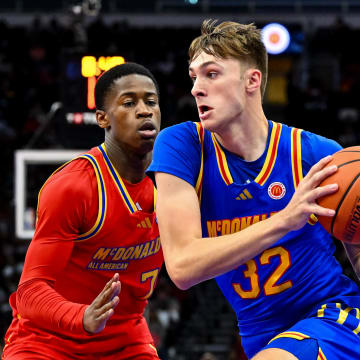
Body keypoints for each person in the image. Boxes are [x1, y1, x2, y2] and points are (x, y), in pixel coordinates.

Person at [147, 19, 360, 360]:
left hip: (330, 317)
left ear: (252, 80)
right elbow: (183, 268)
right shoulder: (181, 146)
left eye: (212, 74)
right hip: (259, 335)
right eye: (194, 76)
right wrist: (283, 221)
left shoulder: (317, 156)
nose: (197, 88)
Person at [3, 63, 163, 359]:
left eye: (151, 102)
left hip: (124, 340)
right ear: (102, 118)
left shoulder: (173, 182)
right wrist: (82, 317)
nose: (144, 110)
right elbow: (29, 293)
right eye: (129, 103)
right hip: (47, 341)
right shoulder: (74, 187)